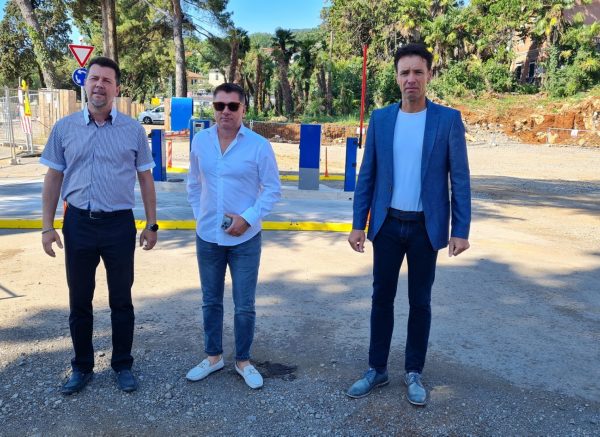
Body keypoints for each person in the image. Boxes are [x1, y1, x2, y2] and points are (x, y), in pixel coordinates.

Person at [346, 43, 471, 406]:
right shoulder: (382, 119)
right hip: (387, 225)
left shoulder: (447, 120)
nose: (411, 79)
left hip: (424, 228)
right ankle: (377, 369)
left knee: (420, 302)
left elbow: (459, 178)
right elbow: (367, 175)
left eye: (418, 72)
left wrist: (460, 230)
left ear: (429, 75)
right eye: (405, 73)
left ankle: (414, 371)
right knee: (381, 299)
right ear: (397, 77)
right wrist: (358, 224)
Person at [40, 56, 158, 395]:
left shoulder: (133, 130)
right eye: (94, 78)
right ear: (85, 82)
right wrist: (47, 226)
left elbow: (145, 179)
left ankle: (122, 364)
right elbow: (53, 178)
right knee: (79, 301)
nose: (99, 85)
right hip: (78, 223)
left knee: (121, 300)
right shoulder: (64, 128)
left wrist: (151, 225)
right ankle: (82, 367)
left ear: (116, 88)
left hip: (119, 226)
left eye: (107, 80)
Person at [186, 83, 281, 389]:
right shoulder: (200, 141)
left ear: (243, 109)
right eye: (219, 106)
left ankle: (243, 361)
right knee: (210, 301)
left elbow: (273, 189)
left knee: (244, 304)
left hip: (245, 239)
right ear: (213, 108)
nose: (225, 111)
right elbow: (193, 183)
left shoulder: (258, 146)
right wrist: (200, 215)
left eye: (232, 106)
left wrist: (248, 219)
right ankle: (213, 357)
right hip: (208, 237)